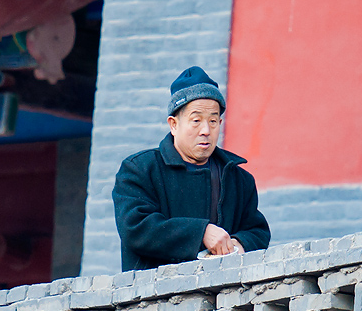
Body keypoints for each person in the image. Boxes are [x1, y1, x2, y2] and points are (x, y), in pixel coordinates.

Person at [113, 66, 271, 271]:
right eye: (196, 121)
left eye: (213, 121)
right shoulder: (139, 170)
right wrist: (201, 233)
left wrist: (238, 245)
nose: (206, 131)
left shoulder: (238, 179)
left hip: (223, 298)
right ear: (173, 124)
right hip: (156, 297)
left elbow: (257, 231)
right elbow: (135, 228)